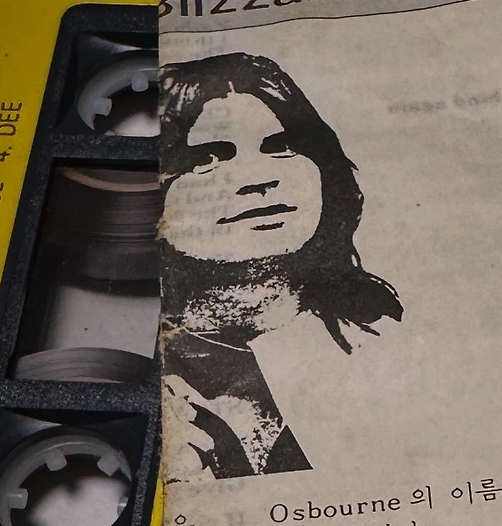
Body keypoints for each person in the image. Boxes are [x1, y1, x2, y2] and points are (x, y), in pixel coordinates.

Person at [158, 52, 401, 477]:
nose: (258, 178)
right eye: (206, 158)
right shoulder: (140, 373)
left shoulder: (386, 334)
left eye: (280, 147)